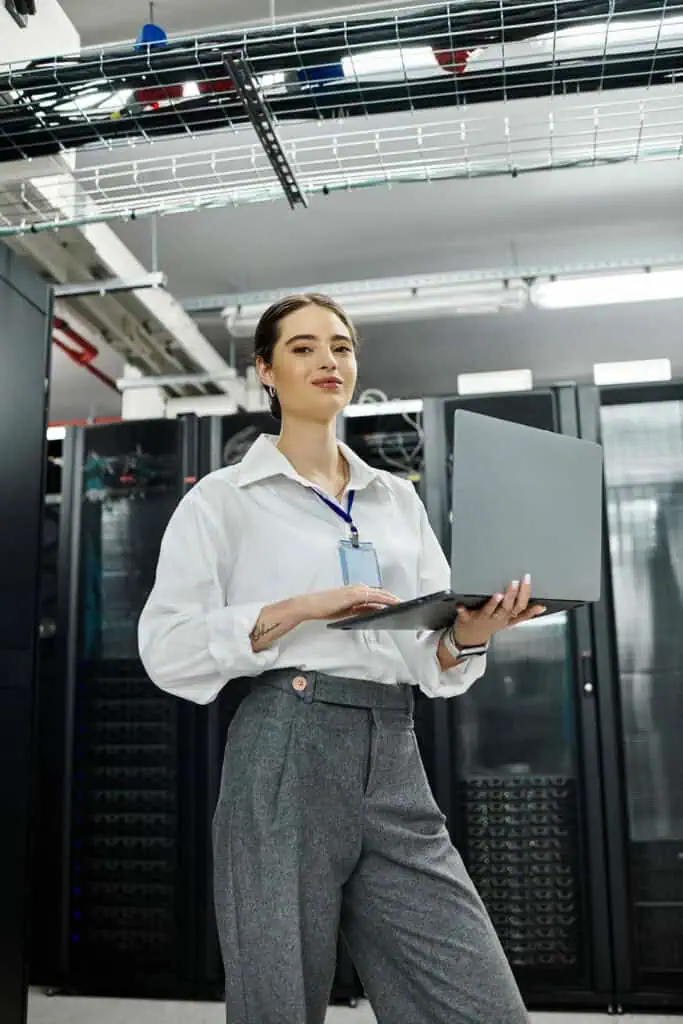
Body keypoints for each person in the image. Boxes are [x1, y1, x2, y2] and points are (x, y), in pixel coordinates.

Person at [138, 293, 544, 1024]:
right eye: (302, 348)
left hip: (392, 750)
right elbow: (167, 650)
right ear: (263, 370)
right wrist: (297, 607)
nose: (328, 360)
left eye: (341, 346)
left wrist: (473, 631)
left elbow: (428, 660)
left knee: (477, 1002)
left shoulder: (395, 501)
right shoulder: (223, 502)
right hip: (284, 742)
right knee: (279, 1000)